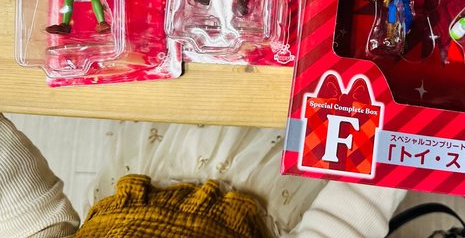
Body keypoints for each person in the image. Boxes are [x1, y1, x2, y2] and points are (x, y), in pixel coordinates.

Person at [0, 114, 406, 238]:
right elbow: (342, 222)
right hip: (258, 173)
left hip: (150, 158)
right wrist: (399, 141)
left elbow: (33, 218)